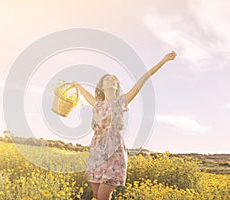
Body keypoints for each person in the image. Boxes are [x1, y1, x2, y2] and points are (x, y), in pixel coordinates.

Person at [73, 51, 177, 200]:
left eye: (113, 80)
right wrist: (76, 86)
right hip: (96, 151)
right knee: (96, 195)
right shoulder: (97, 104)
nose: (109, 80)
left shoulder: (122, 101)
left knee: (103, 195)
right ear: (101, 86)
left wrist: (164, 60)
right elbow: (82, 91)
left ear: (116, 86)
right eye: (106, 79)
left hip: (114, 152)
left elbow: (144, 78)